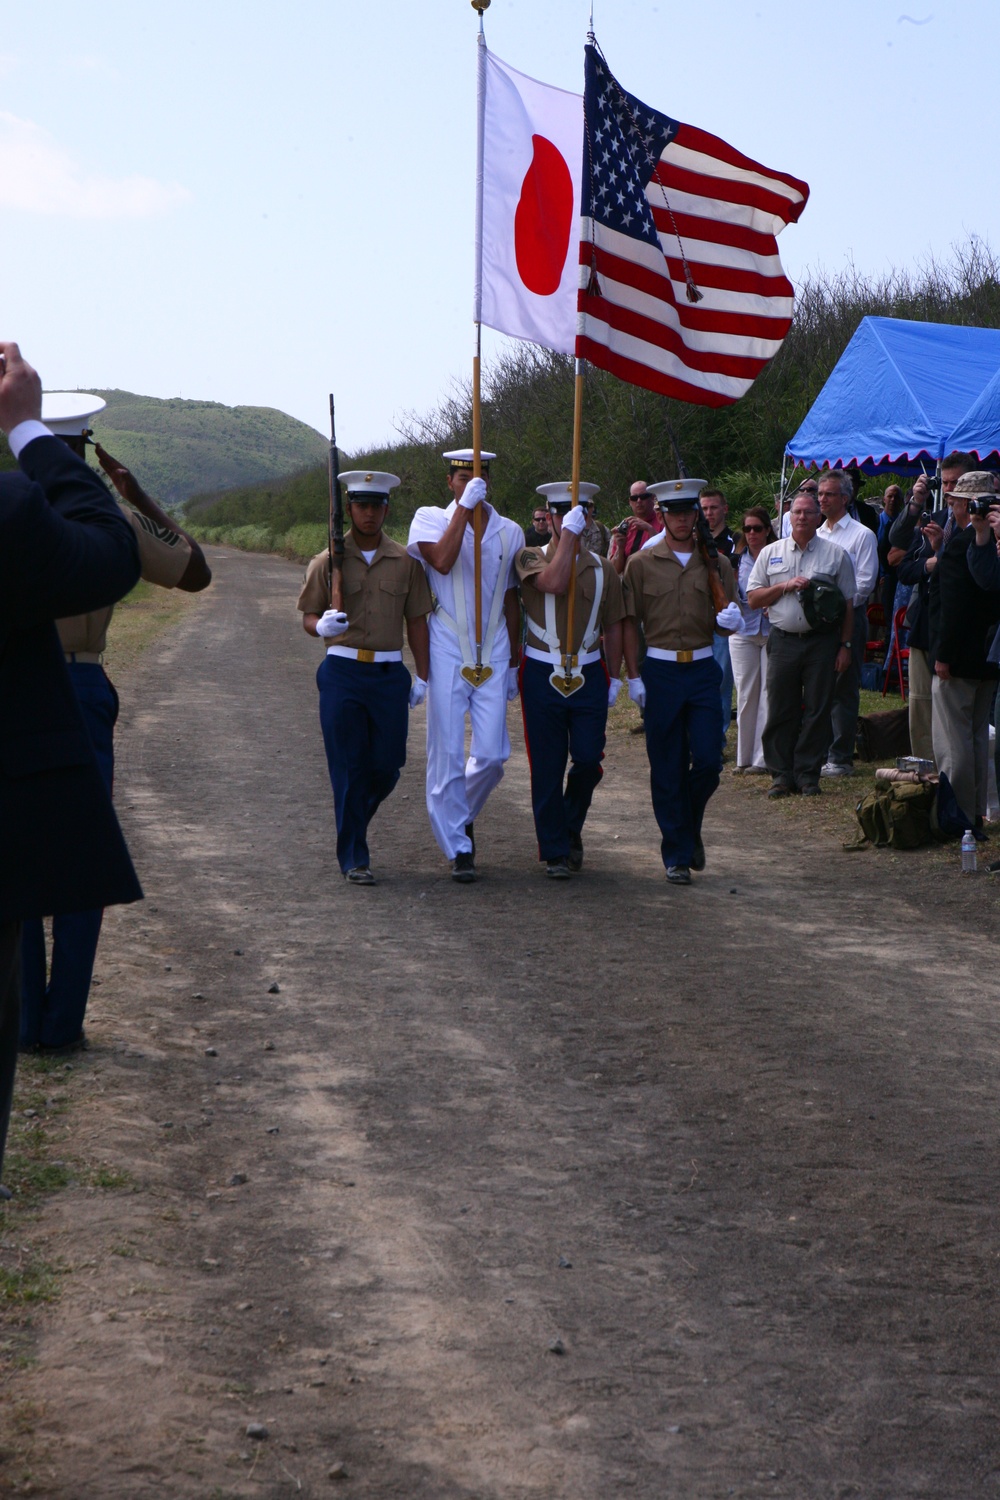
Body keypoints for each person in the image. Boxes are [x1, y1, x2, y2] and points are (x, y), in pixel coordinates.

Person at [19, 398, 212, 1053]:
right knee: (81, 857)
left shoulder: (15, 507)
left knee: (14, 853)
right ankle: (62, 1023)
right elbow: (195, 571)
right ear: (84, 452)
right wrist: (138, 496)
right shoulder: (113, 520)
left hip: (19, 679)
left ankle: (22, 1022)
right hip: (80, 681)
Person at [0, 342, 142, 1191]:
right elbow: (113, 559)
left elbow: (180, 563)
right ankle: (42, 1023)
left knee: (60, 884)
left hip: (77, 697)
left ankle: (62, 1019)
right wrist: (29, 437)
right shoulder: (24, 501)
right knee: (41, 882)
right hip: (40, 722)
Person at [298, 470, 431, 884]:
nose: (369, 514)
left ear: (386, 508)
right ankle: (355, 855)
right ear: (350, 509)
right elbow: (308, 615)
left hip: (389, 673)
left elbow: (417, 622)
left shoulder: (406, 562)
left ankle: (352, 823)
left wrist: (422, 676)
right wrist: (320, 627)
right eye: (361, 506)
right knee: (349, 765)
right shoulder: (327, 561)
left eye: (376, 506)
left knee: (389, 764)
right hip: (341, 671)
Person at [407, 450, 524, 881]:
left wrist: (514, 660)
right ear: (450, 481)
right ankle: (459, 848)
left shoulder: (509, 532)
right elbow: (441, 558)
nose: (472, 481)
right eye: (463, 477)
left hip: (493, 645)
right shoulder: (429, 518)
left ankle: (457, 814)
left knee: (493, 755)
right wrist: (463, 509)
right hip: (447, 643)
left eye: (479, 476)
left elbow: (512, 598)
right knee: (448, 752)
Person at [623, 479, 740, 885]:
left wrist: (731, 621)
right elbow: (628, 623)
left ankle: (686, 825)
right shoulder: (641, 563)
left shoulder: (718, 563)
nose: (682, 519)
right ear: (662, 514)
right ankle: (677, 853)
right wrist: (632, 675)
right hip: (661, 672)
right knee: (668, 765)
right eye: (673, 513)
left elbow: (728, 619)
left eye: (689, 512)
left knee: (708, 759)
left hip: (704, 671)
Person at [516, 482, 626, 877]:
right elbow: (553, 583)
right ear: (548, 514)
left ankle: (569, 825)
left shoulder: (604, 568)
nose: (566, 520)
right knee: (545, 765)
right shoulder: (528, 556)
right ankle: (555, 850)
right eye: (559, 513)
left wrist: (614, 677)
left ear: (591, 514)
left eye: (576, 512)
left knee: (587, 761)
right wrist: (568, 539)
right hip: (542, 669)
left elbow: (613, 625)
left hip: (589, 670)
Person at [747, 491, 856, 798]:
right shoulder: (771, 552)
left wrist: (845, 646)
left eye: (809, 512)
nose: (803, 517)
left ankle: (808, 774)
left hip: (822, 643)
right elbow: (754, 599)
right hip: (783, 642)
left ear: (818, 517)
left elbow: (848, 605)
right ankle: (781, 775)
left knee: (818, 710)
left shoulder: (836, 555)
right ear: (789, 516)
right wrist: (783, 586)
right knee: (781, 708)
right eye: (797, 512)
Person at [889, 456, 976, 761]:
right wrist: (915, 502)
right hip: (924, 625)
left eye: (956, 483)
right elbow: (902, 568)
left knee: (950, 711)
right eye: (946, 482)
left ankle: (948, 774)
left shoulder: (979, 529)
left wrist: (941, 554)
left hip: (955, 632)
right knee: (920, 704)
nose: (950, 490)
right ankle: (923, 773)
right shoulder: (934, 517)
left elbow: (969, 580)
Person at [926, 472, 1000, 824]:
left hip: (964, 653)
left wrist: (943, 654)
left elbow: (953, 606)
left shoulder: (962, 544)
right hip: (987, 655)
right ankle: (974, 811)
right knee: (976, 738)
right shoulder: (984, 540)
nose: (953, 505)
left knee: (955, 739)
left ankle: (959, 813)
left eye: (956, 500)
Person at [817, 470, 880, 777]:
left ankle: (840, 755)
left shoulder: (861, 535)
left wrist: (835, 606)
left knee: (843, 687)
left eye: (828, 494)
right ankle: (820, 748)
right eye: (820, 494)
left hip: (848, 619)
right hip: (819, 623)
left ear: (845, 497)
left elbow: (865, 584)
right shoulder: (818, 534)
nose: (822, 499)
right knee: (820, 686)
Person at [729, 506, 776, 773]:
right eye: (747, 529)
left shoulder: (778, 555)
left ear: (767, 530)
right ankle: (743, 757)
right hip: (743, 631)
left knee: (768, 695)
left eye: (757, 528)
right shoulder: (735, 561)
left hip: (771, 630)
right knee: (747, 694)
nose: (752, 534)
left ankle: (762, 759)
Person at [699, 487, 737, 756]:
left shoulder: (735, 540)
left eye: (713, 508)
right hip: (697, 620)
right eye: (704, 509)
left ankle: (718, 739)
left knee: (721, 681)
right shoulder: (691, 540)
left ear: (724, 509)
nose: (709, 513)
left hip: (722, 619)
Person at [609, 481, 662, 575]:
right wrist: (620, 548)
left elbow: (671, 555)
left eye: (643, 497)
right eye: (634, 498)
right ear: (630, 502)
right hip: (630, 584)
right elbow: (614, 570)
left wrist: (650, 530)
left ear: (652, 498)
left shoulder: (662, 522)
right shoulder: (624, 527)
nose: (639, 501)